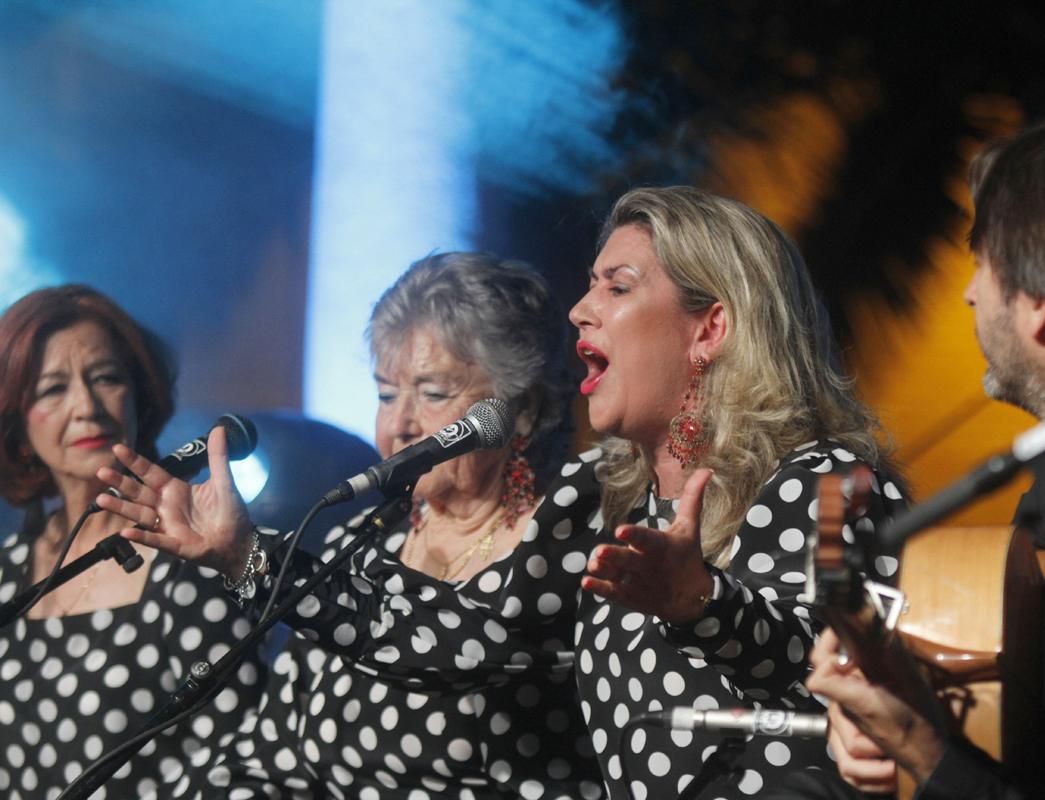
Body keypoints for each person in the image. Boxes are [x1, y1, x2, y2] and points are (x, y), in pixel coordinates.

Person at [102, 188, 907, 799]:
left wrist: (706, 605)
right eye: (588, 285)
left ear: (711, 328)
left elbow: (840, 666)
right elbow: (461, 640)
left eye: (617, 287)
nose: (580, 308)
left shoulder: (834, 483)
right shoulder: (602, 501)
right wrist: (248, 555)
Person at [806, 109, 1045, 799]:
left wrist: (929, 755)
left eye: (982, 262)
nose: (968, 291)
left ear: (1040, 305)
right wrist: (904, 723)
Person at [108, 253, 604, 798]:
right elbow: (272, 756)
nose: (398, 425)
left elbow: (446, 646)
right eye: (386, 394)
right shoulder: (359, 546)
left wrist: (247, 555)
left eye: (433, 394)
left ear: (523, 409)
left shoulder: (569, 528)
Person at [0, 285, 266, 799]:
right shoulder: (7, 572)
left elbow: (239, 764)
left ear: (139, 398)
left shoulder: (187, 561)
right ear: (15, 424)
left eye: (105, 377)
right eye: (53, 388)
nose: (86, 406)